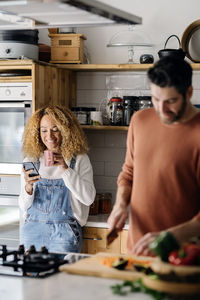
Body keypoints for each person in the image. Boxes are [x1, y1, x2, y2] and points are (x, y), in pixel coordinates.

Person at [108, 57, 200, 256]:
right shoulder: (139, 121)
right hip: (137, 250)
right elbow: (129, 173)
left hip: (184, 256)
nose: (161, 109)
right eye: (155, 99)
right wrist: (120, 204)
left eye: (171, 101)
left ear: (189, 93)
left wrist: (170, 237)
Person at [19, 105, 96, 253]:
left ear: (66, 130)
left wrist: (65, 169)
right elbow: (23, 206)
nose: (50, 136)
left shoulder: (79, 160)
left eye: (55, 129)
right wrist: (28, 187)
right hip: (32, 232)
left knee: (60, 276)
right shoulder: (32, 160)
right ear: (37, 132)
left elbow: (88, 198)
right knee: (30, 276)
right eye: (44, 130)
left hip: (65, 235)